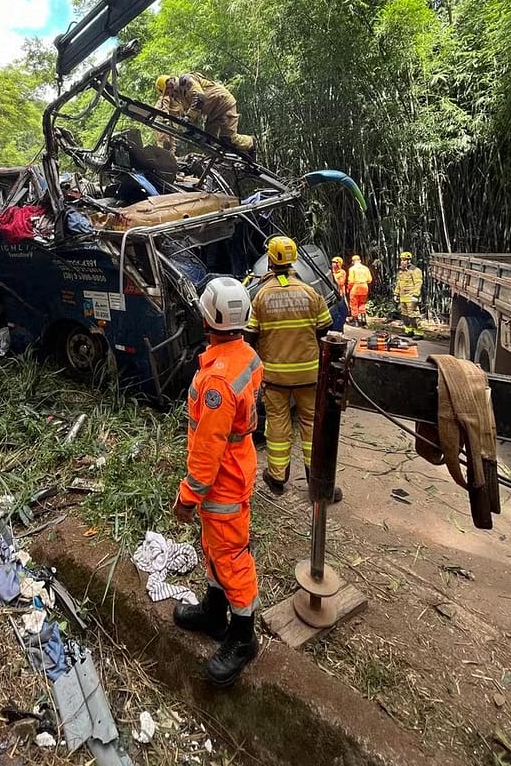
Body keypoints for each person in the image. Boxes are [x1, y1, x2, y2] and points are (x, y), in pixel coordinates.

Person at [173, 277, 262, 686]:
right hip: (235, 466)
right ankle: (214, 609)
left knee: (231, 555)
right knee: (215, 546)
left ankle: (242, 636)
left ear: (207, 316)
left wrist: (187, 496)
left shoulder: (217, 383)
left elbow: (208, 448)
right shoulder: (243, 355)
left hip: (221, 478)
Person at [247, 236, 341, 501]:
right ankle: (317, 482)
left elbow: (250, 336)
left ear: (270, 259)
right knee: (312, 425)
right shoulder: (310, 293)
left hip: (275, 375)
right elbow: (325, 329)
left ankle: (277, 477)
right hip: (309, 375)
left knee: (277, 424)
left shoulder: (262, 296)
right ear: (294, 258)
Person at [159, 72, 256, 156]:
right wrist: (190, 128)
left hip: (224, 105)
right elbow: (192, 112)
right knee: (208, 143)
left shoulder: (186, 80)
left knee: (228, 140)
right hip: (212, 113)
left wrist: (188, 118)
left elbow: (200, 97)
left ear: (169, 84)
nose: (171, 96)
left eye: (169, 92)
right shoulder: (181, 96)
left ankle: (251, 142)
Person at [394, 250, 423, 337]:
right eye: (401, 260)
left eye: (404, 260)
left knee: (413, 316)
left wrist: (415, 295)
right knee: (405, 316)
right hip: (403, 297)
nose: (402, 261)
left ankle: (418, 332)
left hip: (411, 297)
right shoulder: (401, 271)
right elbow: (399, 283)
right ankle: (408, 330)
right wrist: (396, 294)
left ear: (409, 261)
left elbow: (418, 283)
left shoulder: (415, 270)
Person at [153, 76, 184, 153]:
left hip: (171, 122)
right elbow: (165, 110)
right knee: (164, 141)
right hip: (162, 121)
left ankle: (172, 158)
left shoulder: (177, 98)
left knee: (172, 143)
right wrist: (166, 121)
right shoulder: (166, 98)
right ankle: (164, 158)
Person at [347, 254, 372, 327]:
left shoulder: (352, 269)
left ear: (353, 262)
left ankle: (356, 321)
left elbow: (351, 281)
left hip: (355, 287)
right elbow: (369, 280)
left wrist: (348, 288)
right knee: (362, 303)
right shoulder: (366, 268)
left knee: (354, 304)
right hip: (364, 287)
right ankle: (364, 321)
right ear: (360, 260)